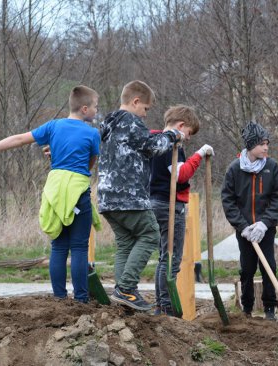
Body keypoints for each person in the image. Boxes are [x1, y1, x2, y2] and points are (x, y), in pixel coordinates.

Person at [0, 85, 101, 303]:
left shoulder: (53, 126)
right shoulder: (92, 134)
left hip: (54, 192)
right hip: (78, 193)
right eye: (95, 107)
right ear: (85, 109)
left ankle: (59, 299)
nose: (96, 111)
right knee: (79, 247)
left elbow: (18, 139)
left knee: (59, 245)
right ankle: (81, 300)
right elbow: (89, 165)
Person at [97, 80, 183, 311]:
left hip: (106, 197)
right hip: (128, 194)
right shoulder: (130, 121)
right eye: (145, 109)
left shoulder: (109, 123)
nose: (145, 115)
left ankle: (123, 294)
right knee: (150, 234)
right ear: (135, 102)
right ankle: (126, 288)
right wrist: (173, 135)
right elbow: (153, 146)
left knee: (126, 242)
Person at [149, 105, 213, 316]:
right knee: (171, 260)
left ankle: (162, 305)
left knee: (163, 258)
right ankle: (166, 306)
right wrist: (199, 154)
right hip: (169, 206)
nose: (186, 138)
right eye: (188, 133)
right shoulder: (172, 144)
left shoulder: (154, 142)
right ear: (180, 125)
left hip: (156, 203)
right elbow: (181, 174)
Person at [221, 121, 278, 320]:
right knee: (247, 269)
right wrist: (242, 226)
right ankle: (247, 309)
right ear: (251, 145)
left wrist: (265, 223)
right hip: (245, 231)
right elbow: (228, 200)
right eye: (262, 144)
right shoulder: (235, 169)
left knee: (269, 267)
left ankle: (269, 309)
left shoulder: (271, 167)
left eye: (267, 143)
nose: (266, 147)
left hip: (265, 229)